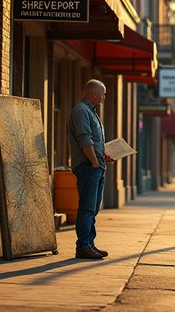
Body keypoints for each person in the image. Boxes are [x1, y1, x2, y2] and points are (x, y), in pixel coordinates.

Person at [69, 79, 115, 260]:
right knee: (87, 208)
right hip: (88, 167)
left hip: (96, 165)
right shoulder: (81, 111)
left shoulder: (91, 112)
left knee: (93, 209)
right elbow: (85, 140)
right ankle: (83, 246)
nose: (104, 97)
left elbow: (94, 142)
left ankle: (90, 243)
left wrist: (103, 156)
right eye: (102, 94)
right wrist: (95, 162)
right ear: (93, 93)